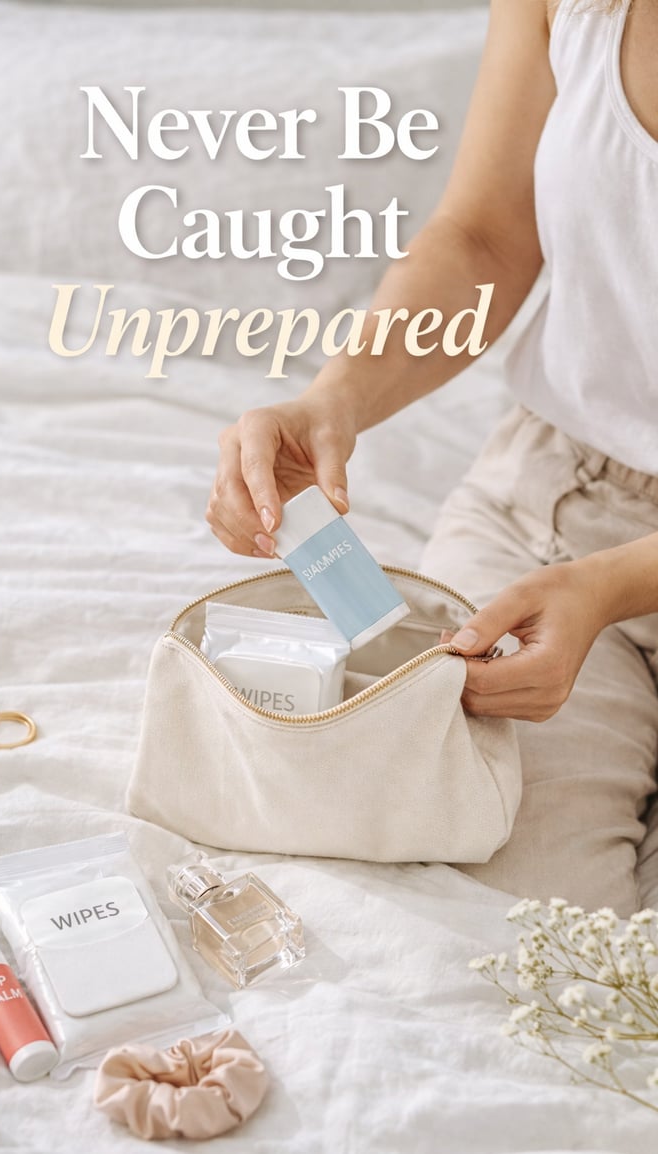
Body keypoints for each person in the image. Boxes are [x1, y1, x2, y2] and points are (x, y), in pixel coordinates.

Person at [205, 0, 658, 917]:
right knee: (506, 918)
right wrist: (334, 398)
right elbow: (485, 238)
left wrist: (613, 588)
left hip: (603, 574)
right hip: (556, 508)